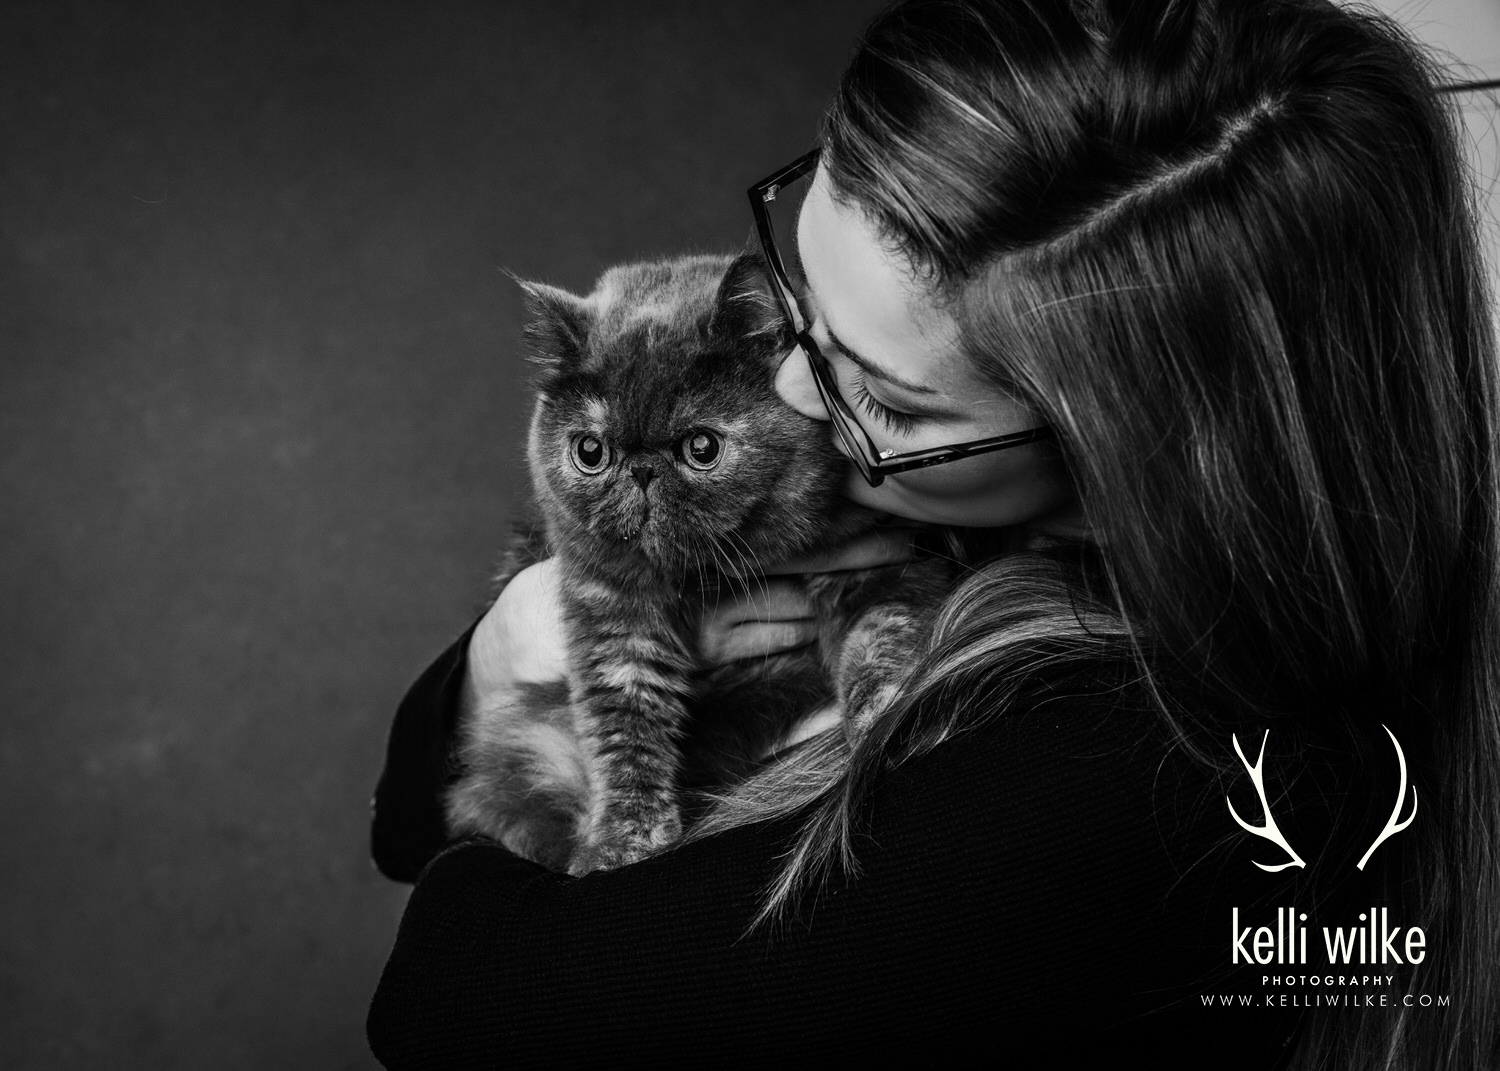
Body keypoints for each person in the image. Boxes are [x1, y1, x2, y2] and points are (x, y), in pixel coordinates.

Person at [366, 1, 1500, 1067]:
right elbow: (409, 812)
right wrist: (499, 664)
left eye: (891, 401)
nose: (797, 398)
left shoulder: (1119, 791)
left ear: (1128, 467)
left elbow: (448, 1003)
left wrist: (507, 775)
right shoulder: (930, 508)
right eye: (809, 300)